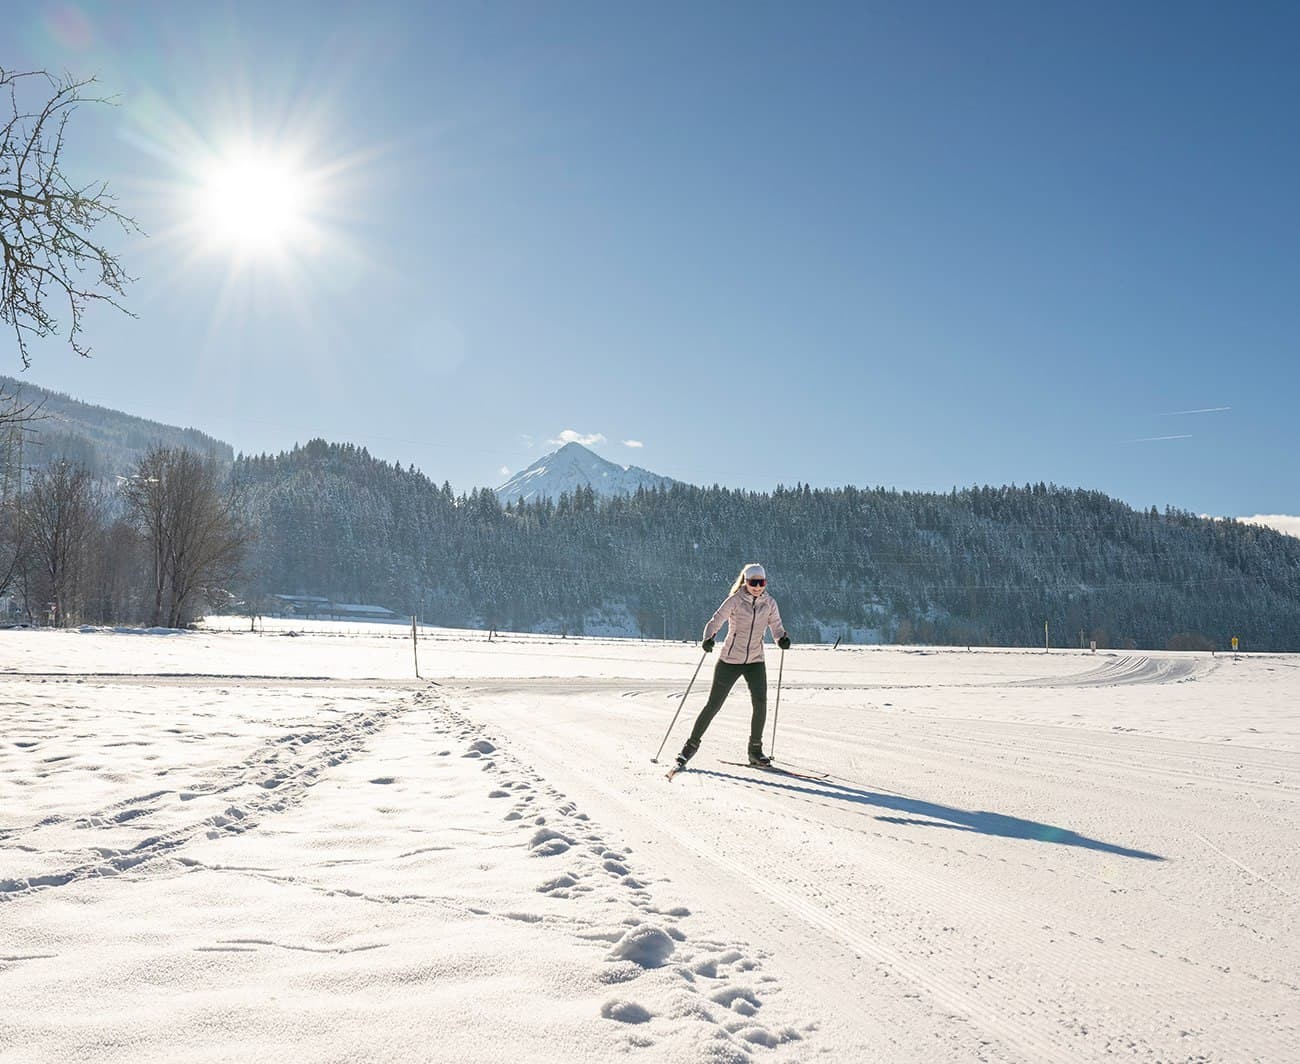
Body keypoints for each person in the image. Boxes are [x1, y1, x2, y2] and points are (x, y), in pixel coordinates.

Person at [676, 563, 791, 769]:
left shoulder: (770, 604)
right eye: (753, 582)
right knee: (714, 705)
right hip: (730, 660)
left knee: (761, 702)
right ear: (746, 582)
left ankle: (755, 751)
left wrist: (781, 638)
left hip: (755, 660)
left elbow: (776, 626)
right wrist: (708, 638)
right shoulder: (736, 600)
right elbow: (716, 620)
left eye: (761, 582)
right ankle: (689, 748)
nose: (757, 586)